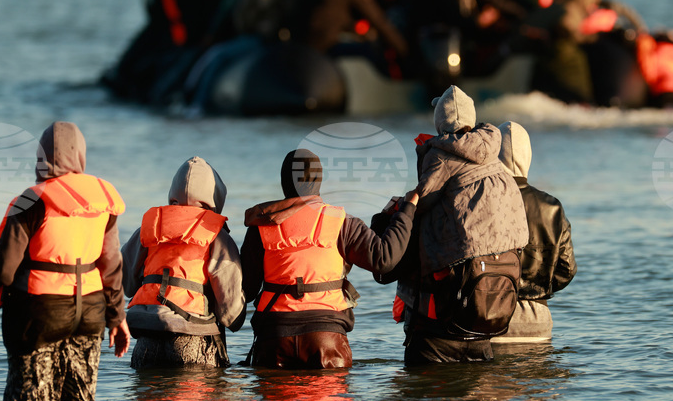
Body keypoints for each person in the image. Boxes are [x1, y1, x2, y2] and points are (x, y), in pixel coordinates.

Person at [0, 122, 130, 401]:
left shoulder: (31, 200)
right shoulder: (102, 199)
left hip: (39, 314)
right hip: (90, 313)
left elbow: (4, 268)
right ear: (80, 154)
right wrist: (117, 316)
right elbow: (111, 264)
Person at [241, 149, 416, 369]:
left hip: (274, 339)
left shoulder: (261, 227)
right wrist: (406, 211)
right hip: (327, 341)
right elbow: (384, 259)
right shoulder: (342, 222)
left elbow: (245, 290)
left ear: (284, 181)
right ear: (318, 181)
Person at [397, 86, 528, 365]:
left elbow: (419, 206)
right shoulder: (496, 163)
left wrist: (398, 208)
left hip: (444, 321)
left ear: (439, 122)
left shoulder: (441, 155)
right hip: (489, 311)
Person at [121, 157, 245, 369]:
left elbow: (126, 284)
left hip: (146, 340)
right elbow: (229, 313)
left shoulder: (150, 227)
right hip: (192, 342)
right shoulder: (216, 234)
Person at [491, 122, 576, 345]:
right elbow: (567, 269)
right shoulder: (553, 207)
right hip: (538, 322)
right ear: (527, 155)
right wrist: (540, 289)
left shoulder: (484, 202)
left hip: (492, 317)